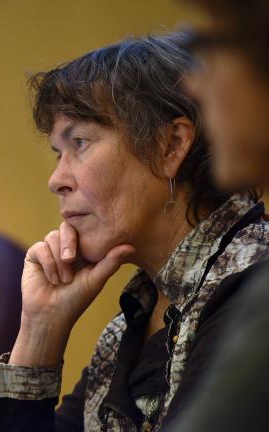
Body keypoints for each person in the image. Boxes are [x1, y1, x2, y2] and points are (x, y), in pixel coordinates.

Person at [0, 32, 269, 431]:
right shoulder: (132, 322)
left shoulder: (253, 283)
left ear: (170, 146)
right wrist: (39, 334)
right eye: (59, 154)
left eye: (80, 142)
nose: (56, 180)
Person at [162, 1, 269, 430]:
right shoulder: (133, 313)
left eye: (209, 47)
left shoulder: (248, 274)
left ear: (172, 145)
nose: (193, 85)